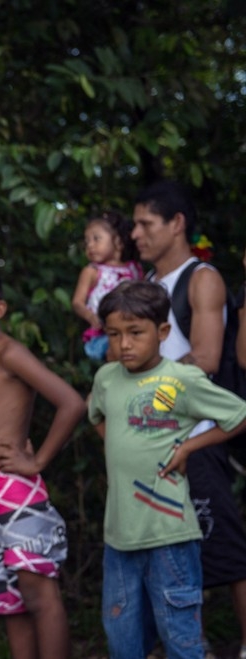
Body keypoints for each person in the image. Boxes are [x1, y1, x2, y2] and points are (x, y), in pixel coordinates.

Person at [88, 280, 246, 659]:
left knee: (180, 636)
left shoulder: (179, 379)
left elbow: (238, 415)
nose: (124, 344)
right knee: (122, 637)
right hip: (120, 536)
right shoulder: (106, 378)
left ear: (162, 332)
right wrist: (121, 450)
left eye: (135, 333)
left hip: (169, 534)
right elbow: (94, 413)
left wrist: (189, 446)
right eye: (114, 334)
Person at [0, 258, 85, 659]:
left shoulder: (10, 353)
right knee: (9, 600)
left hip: (15, 489)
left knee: (38, 592)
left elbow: (71, 403)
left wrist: (37, 461)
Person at [133, 178, 246, 657]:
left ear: (176, 224)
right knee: (165, 555)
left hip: (197, 438)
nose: (135, 234)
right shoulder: (149, 286)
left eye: (145, 224)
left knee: (229, 551)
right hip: (153, 443)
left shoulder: (202, 279)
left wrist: (140, 392)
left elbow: (203, 357)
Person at [70, 210, 142, 362]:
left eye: (96, 239)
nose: (90, 245)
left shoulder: (134, 269)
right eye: (87, 241)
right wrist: (91, 316)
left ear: (118, 242)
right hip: (104, 335)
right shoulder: (92, 271)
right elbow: (77, 302)